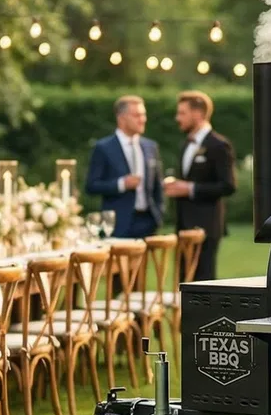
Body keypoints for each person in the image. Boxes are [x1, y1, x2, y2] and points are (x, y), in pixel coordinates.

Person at [166, 90, 237, 281]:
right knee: (184, 280)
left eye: (182, 113)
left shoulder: (218, 145)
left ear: (197, 114)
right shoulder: (185, 145)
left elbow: (228, 185)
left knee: (203, 282)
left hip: (206, 226)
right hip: (183, 225)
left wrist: (189, 189)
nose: (177, 118)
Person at [84, 95, 164, 239]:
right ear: (121, 118)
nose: (143, 119)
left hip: (148, 223)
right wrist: (121, 184)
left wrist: (159, 214)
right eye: (137, 115)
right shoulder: (103, 148)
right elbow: (91, 186)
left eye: (143, 115)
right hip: (118, 224)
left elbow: (158, 186)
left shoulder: (151, 147)